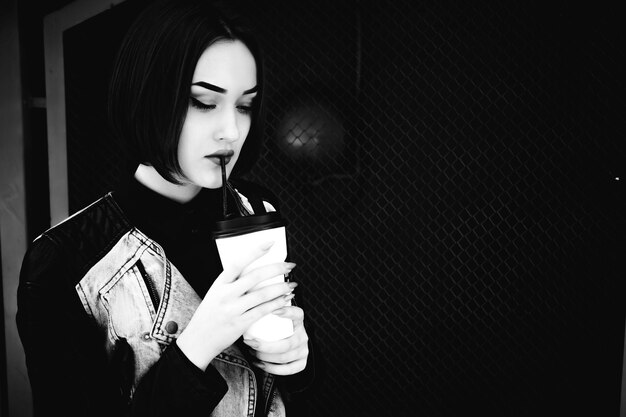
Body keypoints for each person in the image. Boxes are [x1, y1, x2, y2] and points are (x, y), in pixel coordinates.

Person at [16, 0, 316, 415]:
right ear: (148, 96)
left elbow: (297, 391)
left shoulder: (257, 209)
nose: (231, 130)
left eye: (245, 105)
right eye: (203, 102)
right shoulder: (63, 261)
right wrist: (197, 346)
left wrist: (299, 361)